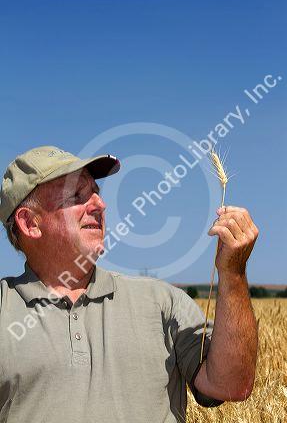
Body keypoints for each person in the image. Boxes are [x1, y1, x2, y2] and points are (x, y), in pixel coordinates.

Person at [0, 146, 259, 423]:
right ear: (30, 223)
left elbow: (232, 385)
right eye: (77, 195)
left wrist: (233, 274)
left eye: (96, 193)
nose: (100, 205)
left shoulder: (163, 302)